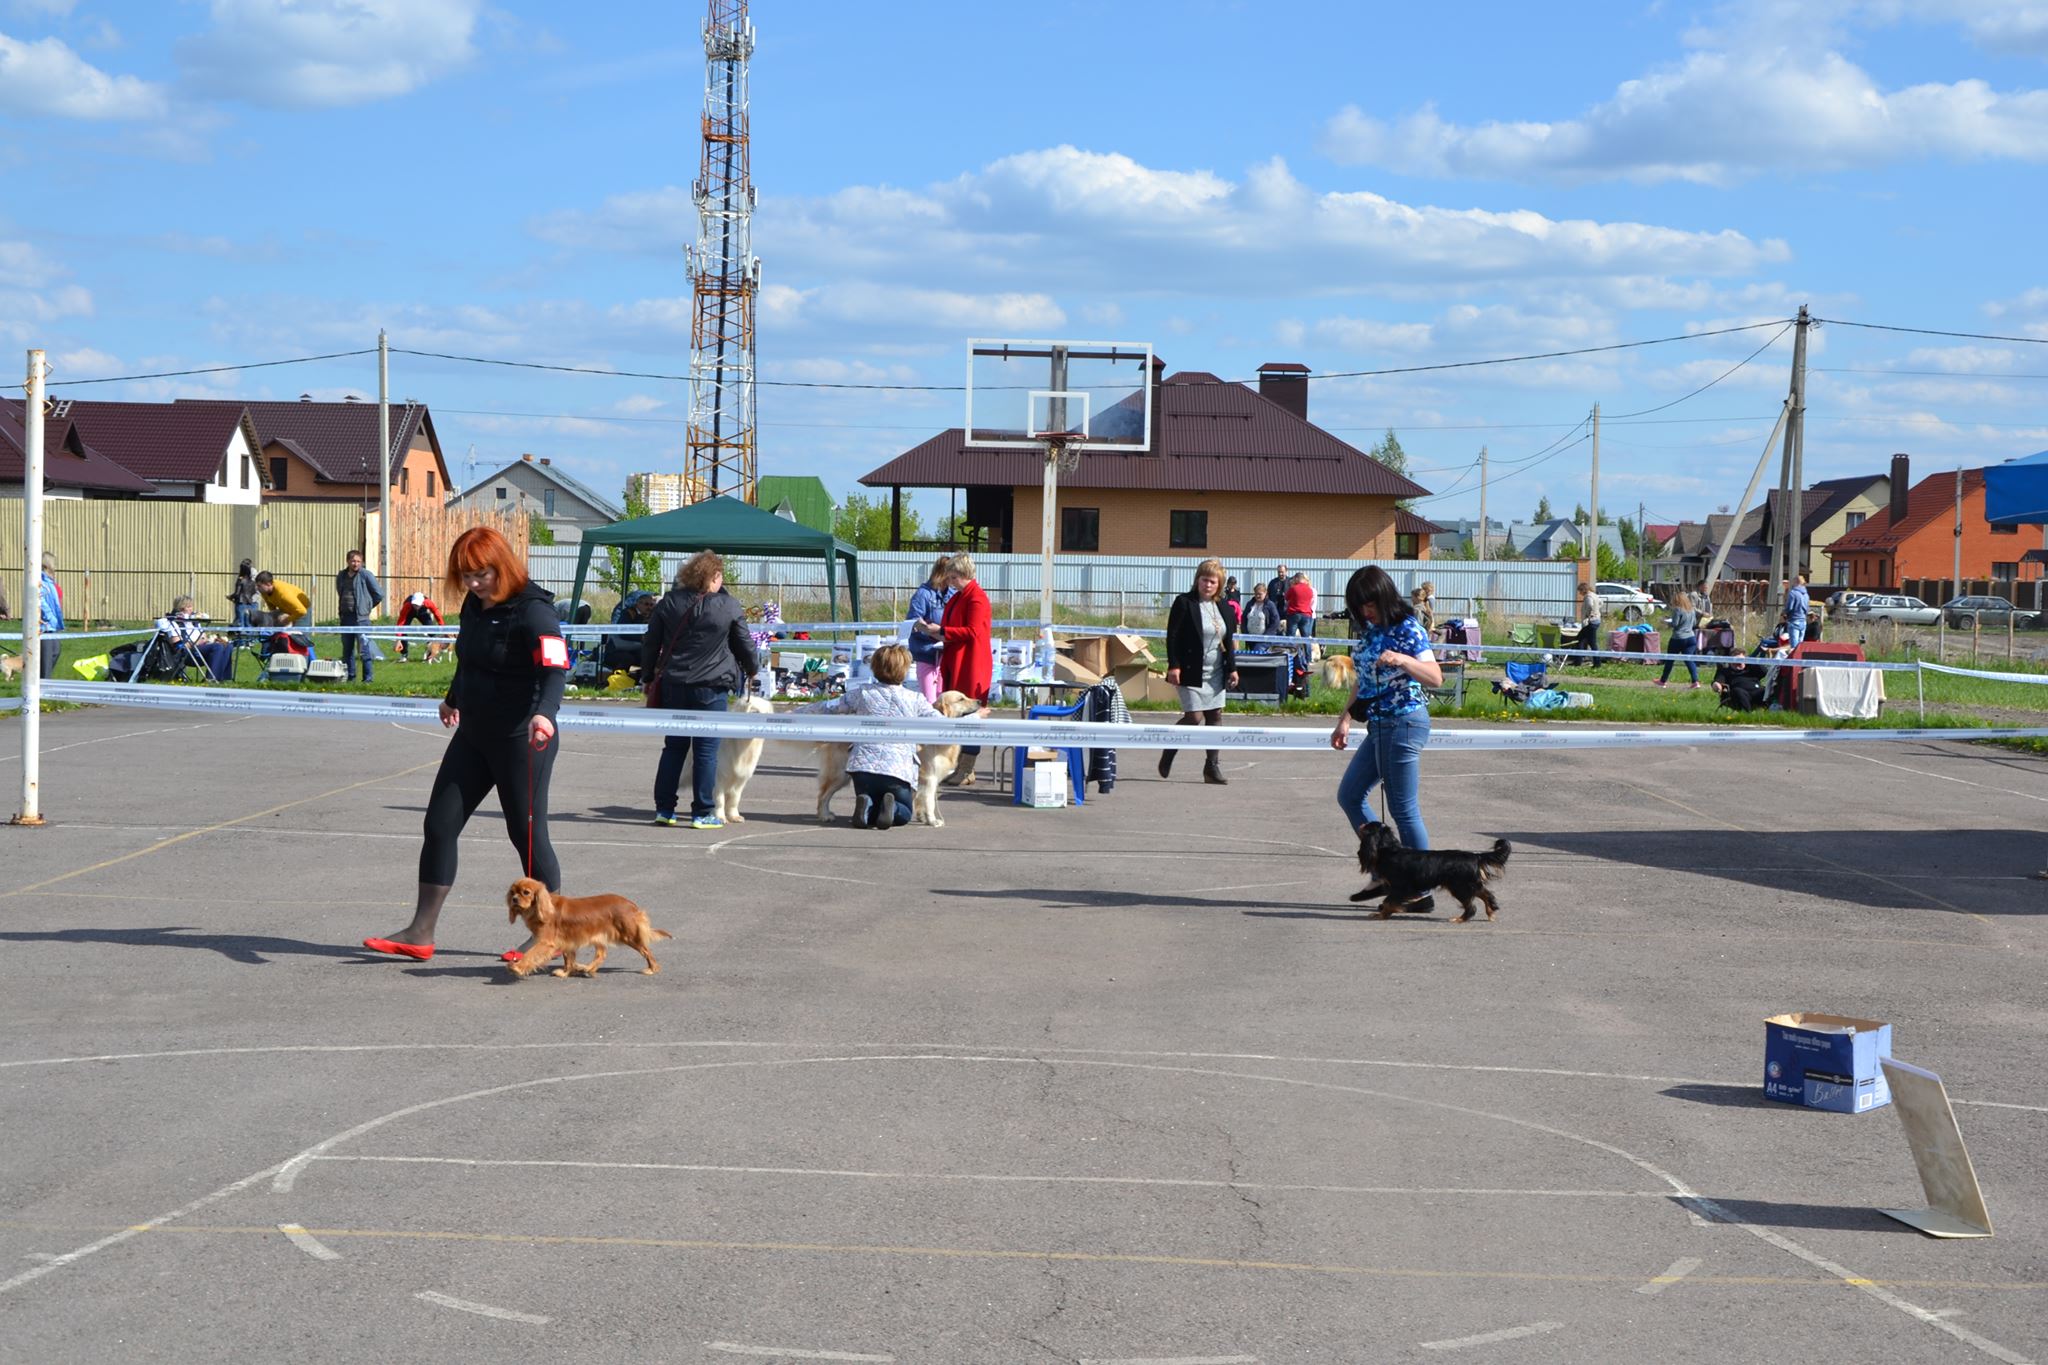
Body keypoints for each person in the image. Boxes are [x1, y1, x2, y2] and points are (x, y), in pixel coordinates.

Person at [363, 527, 571, 963]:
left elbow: (554, 670)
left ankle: (547, 935)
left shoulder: (534, 612)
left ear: (503, 566)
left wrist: (545, 714)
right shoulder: (474, 608)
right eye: (466, 577)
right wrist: (454, 698)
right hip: (474, 734)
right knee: (439, 825)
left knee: (527, 836)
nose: (474, 585)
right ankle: (420, 933)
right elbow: (470, 660)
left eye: (481, 575)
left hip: (522, 739)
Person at [1331, 565, 1442, 908]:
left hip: (1404, 722)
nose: (1366, 612)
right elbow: (1362, 683)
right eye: (1360, 606)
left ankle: (1420, 888)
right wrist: (1345, 718)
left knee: (1403, 809)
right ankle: (1387, 870)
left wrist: (1403, 660)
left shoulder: (1408, 628)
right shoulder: (1367, 633)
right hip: (1377, 725)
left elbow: (1435, 677)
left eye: (1370, 604)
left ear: (1384, 597)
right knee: (1350, 795)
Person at [644, 551, 758, 829]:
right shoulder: (729, 606)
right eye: (719, 576)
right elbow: (744, 644)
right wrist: (752, 668)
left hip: (674, 684)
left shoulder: (668, 602)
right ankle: (703, 812)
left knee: (674, 747)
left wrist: (648, 675)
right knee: (706, 751)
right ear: (713, 577)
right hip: (712, 686)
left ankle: (665, 809)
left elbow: (651, 642)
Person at [803, 644, 968, 829]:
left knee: (873, 805)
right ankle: (894, 806)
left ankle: (867, 803)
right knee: (904, 814)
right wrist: (974, 718)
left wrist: (793, 715)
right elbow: (941, 722)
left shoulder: (861, 693)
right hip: (897, 772)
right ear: (905, 670)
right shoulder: (916, 699)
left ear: (874, 667)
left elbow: (828, 707)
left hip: (862, 771)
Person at [1160, 558, 1239, 785]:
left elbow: (1229, 640)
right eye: (1204, 580)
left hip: (1215, 671)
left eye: (1213, 581)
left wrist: (1232, 669)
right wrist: (1173, 665)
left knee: (1215, 716)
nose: (1208, 585)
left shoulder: (1223, 606)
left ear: (1219, 584)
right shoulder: (1184, 602)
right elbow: (1172, 636)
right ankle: (1169, 750)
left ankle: (1211, 767)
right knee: (1194, 717)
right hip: (1189, 670)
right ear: (1197, 580)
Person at [921, 552, 991, 788]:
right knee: (957, 716)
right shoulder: (959, 597)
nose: (949, 582)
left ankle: (967, 768)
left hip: (971, 665)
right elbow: (953, 627)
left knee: (971, 714)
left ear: (963, 575)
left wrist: (941, 631)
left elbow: (973, 631)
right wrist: (936, 631)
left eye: (952, 577)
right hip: (956, 660)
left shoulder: (976, 599)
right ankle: (959, 766)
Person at [906, 554, 953, 704]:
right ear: (943, 573)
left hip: (945, 654)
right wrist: (928, 630)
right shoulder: (923, 594)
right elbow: (912, 623)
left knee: (944, 700)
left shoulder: (952, 594)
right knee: (930, 701)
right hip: (926, 654)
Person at [154, 595, 234, 681]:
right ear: (180, 608)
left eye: (191, 606)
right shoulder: (173, 623)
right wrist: (197, 642)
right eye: (188, 607)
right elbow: (179, 647)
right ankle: (211, 679)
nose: (191, 609)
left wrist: (213, 640)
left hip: (200, 650)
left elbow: (204, 638)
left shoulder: (195, 621)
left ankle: (223, 679)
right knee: (217, 647)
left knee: (227, 645)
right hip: (187, 654)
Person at [334, 550, 385, 683]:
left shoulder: (366, 575)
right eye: (353, 561)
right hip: (346, 618)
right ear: (348, 561)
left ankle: (367, 679)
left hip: (361, 619)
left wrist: (367, 606)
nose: (355, 564)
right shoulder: (341, 575)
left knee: (364, 650)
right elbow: (340, 591)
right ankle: (351, 677)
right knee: (347, 651)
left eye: (358, 561)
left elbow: (379, 594)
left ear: (361, 562)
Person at [1656, 590, 1702, 689]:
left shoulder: (1678, 610)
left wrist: (1665, 622)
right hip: (1691, 637)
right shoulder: (1692, 610)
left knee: (1670, 660)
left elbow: (1675, 624)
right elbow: (1694, 623)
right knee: (1689, 660)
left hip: (1678, 638)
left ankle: (1663, 681)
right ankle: (1695, 681)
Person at [395, 592, 448, 663]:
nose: (416, 606)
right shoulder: (408, 605)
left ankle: (430, 655)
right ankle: (404, 655)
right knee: (403, 632)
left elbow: (436, 612)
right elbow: (401, 621)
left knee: (432, 632)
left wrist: (442, 627)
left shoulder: (427, 602)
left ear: (422, 603)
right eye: (414, 604)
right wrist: (398, 638)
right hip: (409, 613)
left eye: (417, 605)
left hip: (422, 613)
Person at [1567, 580, 1605, 666]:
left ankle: (1596, 663)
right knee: (1581, 640)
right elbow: (1601, 603)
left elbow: (1590, 606)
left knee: (1590, 643)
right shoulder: (1594, 595)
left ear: (1583, 590)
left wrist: (1590, 615)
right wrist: (1597, 610)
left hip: (1591, 622)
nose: (1580, 593)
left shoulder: (1588, 597)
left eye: (1580, 591)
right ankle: (1579, 661)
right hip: (1596, 621)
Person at [37, 551, 63, 679]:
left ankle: (43, 680)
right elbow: (41, 601)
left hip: (53, 625)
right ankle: (42, 685)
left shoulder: (50, 581)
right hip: (45, 625)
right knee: (46, 659)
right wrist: (50, 618)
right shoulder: (41, 581)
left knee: (56, 651)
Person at [229, 559, 259, 630]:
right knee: (250, 623)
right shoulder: (254, 580)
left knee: (240, 623)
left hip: (241, 602)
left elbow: (237, 593)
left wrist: (231, 597)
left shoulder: (241, 579)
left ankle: (241, 640)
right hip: (252, 602)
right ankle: (250, 639)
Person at [1786, 572, 1811, 649]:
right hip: (1803, 621)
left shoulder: (1793, 593)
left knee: (1794, 646)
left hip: (1794, 620)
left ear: (1796, 582)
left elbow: (1789, 607)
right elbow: (1807, 609)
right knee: (1800, 646)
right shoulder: (1806, 594)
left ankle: (1794, 660)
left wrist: (1785, 613)